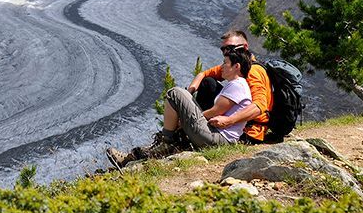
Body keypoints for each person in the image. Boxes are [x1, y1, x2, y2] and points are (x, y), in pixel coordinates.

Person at [106, 44, 255, 169]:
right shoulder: (237, 85)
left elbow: (216, 111)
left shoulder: (238, 85)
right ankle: (164, 143)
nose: (222, 67)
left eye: (225, 63)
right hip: (218, 136)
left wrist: (185, 119)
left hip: (217, 138)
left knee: (175, 93)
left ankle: (167, 141)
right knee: (184, 94)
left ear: (236, 66)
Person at [190, 29, 272, 144]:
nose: (226, 53)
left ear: (245, 47)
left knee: (208, 84)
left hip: (250, 131)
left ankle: (194, 129)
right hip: (239, 125)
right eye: (223, 49)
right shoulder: (234, 66)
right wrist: (189, 94)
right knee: (208, 82)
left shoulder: (253, 71)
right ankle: (194, 127)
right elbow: (203, 74)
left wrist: (229, 120)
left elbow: (259, 106)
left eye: (230, 48)